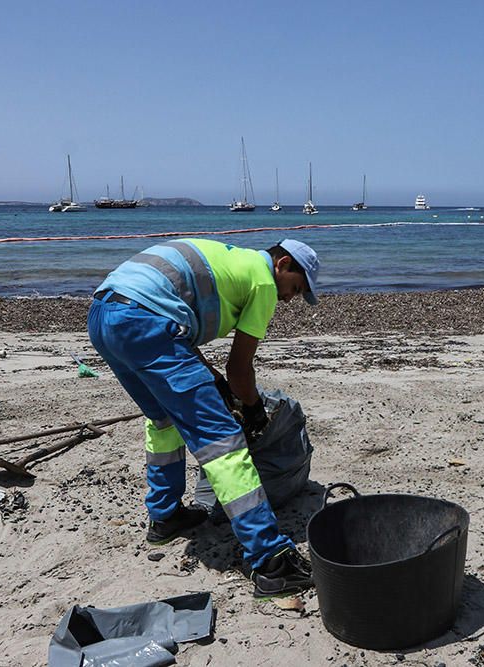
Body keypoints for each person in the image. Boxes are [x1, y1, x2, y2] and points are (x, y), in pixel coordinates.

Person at [87, 237, 319, 598]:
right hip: (147, 323)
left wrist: (214, 383)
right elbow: (239, 368)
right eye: (295, 288)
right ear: (283, 264)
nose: (289, 299)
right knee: (222, 440)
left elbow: (175, 323)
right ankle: (272, 561)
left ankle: (165, 517)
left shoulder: (233, 261)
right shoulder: (262, 281)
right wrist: (254, 409)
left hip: (105, 315)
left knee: (164, 420)